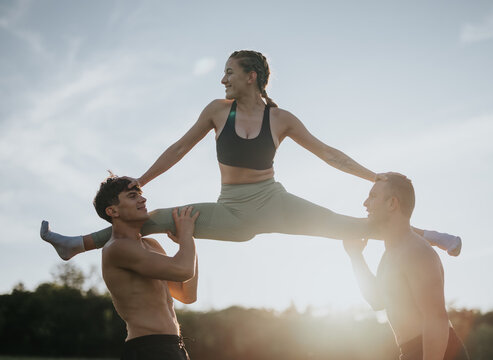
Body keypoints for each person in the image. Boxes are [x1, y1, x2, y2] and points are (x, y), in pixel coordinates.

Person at [40, 50, 461, 260]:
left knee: (350, 225)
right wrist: (141, 183)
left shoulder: (281, 120)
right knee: (153, 218)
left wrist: (376, 179)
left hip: (275, 204)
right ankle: (75, 245)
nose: (223, 79)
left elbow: (330, 155)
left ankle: (431, 237)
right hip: (232, 213)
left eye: (229, 72)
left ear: (250, 77)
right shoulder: (216, 111)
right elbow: (179, 147)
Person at [343, 173, 469, 360]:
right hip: (412, 352)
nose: (365, 203)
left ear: (392, 203)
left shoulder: (416, 251)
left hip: (438, 352)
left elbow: (436, 320)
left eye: (373, 196)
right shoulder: (391, 253)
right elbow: (377, 300)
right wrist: (355, 256)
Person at [97, 175, 199, 360]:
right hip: (148, 349)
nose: (143, 199)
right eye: (132, 196)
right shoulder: (117, 248)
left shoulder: (151, 245)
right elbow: (184, 269)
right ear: (113, 211)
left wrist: (189, 241)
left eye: (140, 195)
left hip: (173, 346)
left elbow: (187, 295)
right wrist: (186, 237)